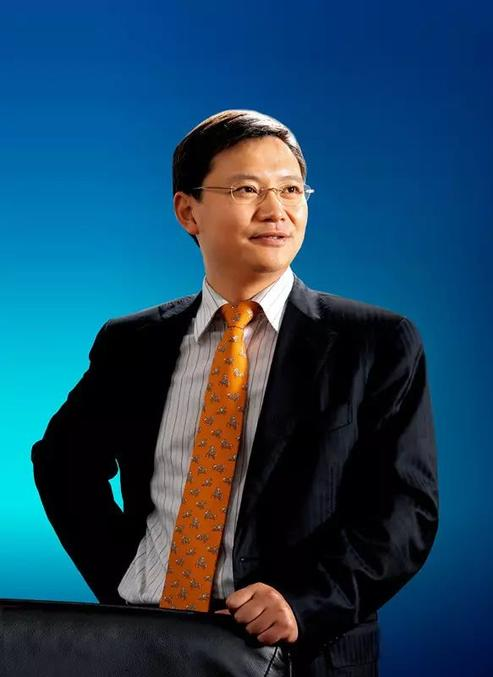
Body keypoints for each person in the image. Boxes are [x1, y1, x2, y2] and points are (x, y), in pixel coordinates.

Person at [32, 109, 438, 676]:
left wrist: (304, 601)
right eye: (247, 189)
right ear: (188, 211)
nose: (276, 210)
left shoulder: (374, 343)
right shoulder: (133, 343)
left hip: (300, 655)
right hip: (149, 642)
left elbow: (405, 510)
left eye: (291, 189)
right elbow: (63, 465)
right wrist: (125, 574)